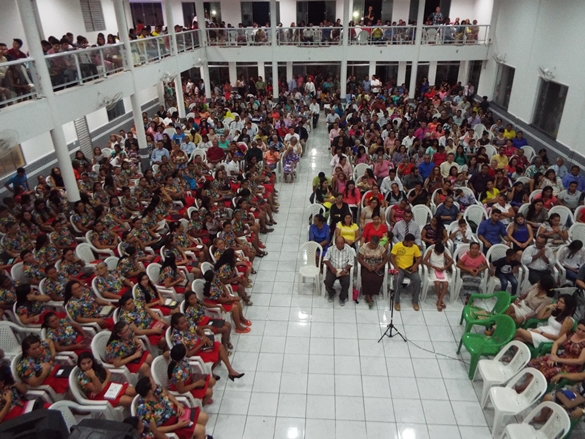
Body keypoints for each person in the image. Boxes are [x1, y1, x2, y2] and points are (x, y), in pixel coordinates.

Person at [169, 313, 243, 381]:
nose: (185, 323)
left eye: (185, 321)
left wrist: (204, 337)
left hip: (201, 344)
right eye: (182, 323)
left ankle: (230, 371)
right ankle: (210, 372)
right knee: (218, 352)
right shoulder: (177, 337)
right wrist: (201, 344)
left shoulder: (188, 325)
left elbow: (198, 329)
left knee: (220, 347)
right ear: (176, 325)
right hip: (195, 352)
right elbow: (187, 354)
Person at [134, 376, 209, 439]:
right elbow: (156, 430)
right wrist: (177, 426)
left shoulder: (156, 389)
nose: (155, 383)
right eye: (153, 383)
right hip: (169, 426)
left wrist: (178, 405)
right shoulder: (144, 409)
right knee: (200, 430)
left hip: (176, 413)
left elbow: (168, 394)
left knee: (204, 417)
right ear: (149, 391)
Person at [524, 320, 585, 384]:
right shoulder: (571, 334)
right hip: (559, 357)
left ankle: (526, 386)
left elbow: (580, 361)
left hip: (570, 367)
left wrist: (558, 360)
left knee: (545, 372)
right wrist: (553, 356)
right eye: (579, 329)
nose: (580, 332)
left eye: (584, 331)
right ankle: (527, 383)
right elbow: (556, 343)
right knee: (535, 362)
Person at [390, 233, 422, 311]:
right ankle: (396, 301)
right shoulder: (397, 245)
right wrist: (395, 266)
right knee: (397, 280)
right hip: (399, 268)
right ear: (406, 241)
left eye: (413, 243)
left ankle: (415, 301)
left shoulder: (414, 247)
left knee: (418, 280)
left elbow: (419, 257)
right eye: (410, 243)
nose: (412, 244)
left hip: (410, 268)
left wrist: (415, 265)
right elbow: (392, 256)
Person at [323, 236, 355, 306]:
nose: (340, 245)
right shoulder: (331, 249)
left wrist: (345, 270)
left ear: (344, 243)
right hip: (333, 269)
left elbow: (351, 262)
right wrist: (331, 268)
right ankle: (331, 293)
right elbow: (325, 259)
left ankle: (342, 298)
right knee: (327, 281)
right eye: (338, 243)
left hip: (344, 269)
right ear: (335, 243)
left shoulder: (349, 249)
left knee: (346, 283)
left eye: (342, 243)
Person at [357, 235, 387, 308]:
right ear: (370, 241)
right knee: (367, 278)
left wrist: (380, 266)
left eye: (376, 244)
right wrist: (367, 266)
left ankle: (370, 294)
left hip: (377, 267)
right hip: (366, 266)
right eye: (372, 244)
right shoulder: (364, 247)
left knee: (378, 279)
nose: (374, 246)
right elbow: (359, 258)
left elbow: (386, 258)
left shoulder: (381, 248)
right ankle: (368, 296)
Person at [423, 242, 453, 311]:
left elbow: (451, 261)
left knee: (445, 284)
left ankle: (439, 301)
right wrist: (434, 267)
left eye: (440, 253)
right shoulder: (430, 251)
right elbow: (424, 261)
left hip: (442, 270)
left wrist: (445, 267)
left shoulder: (443, 253)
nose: (439, 254)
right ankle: (440, 300)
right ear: (435, 250)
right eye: (437, 253)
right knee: (437, 283)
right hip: (433, 270)